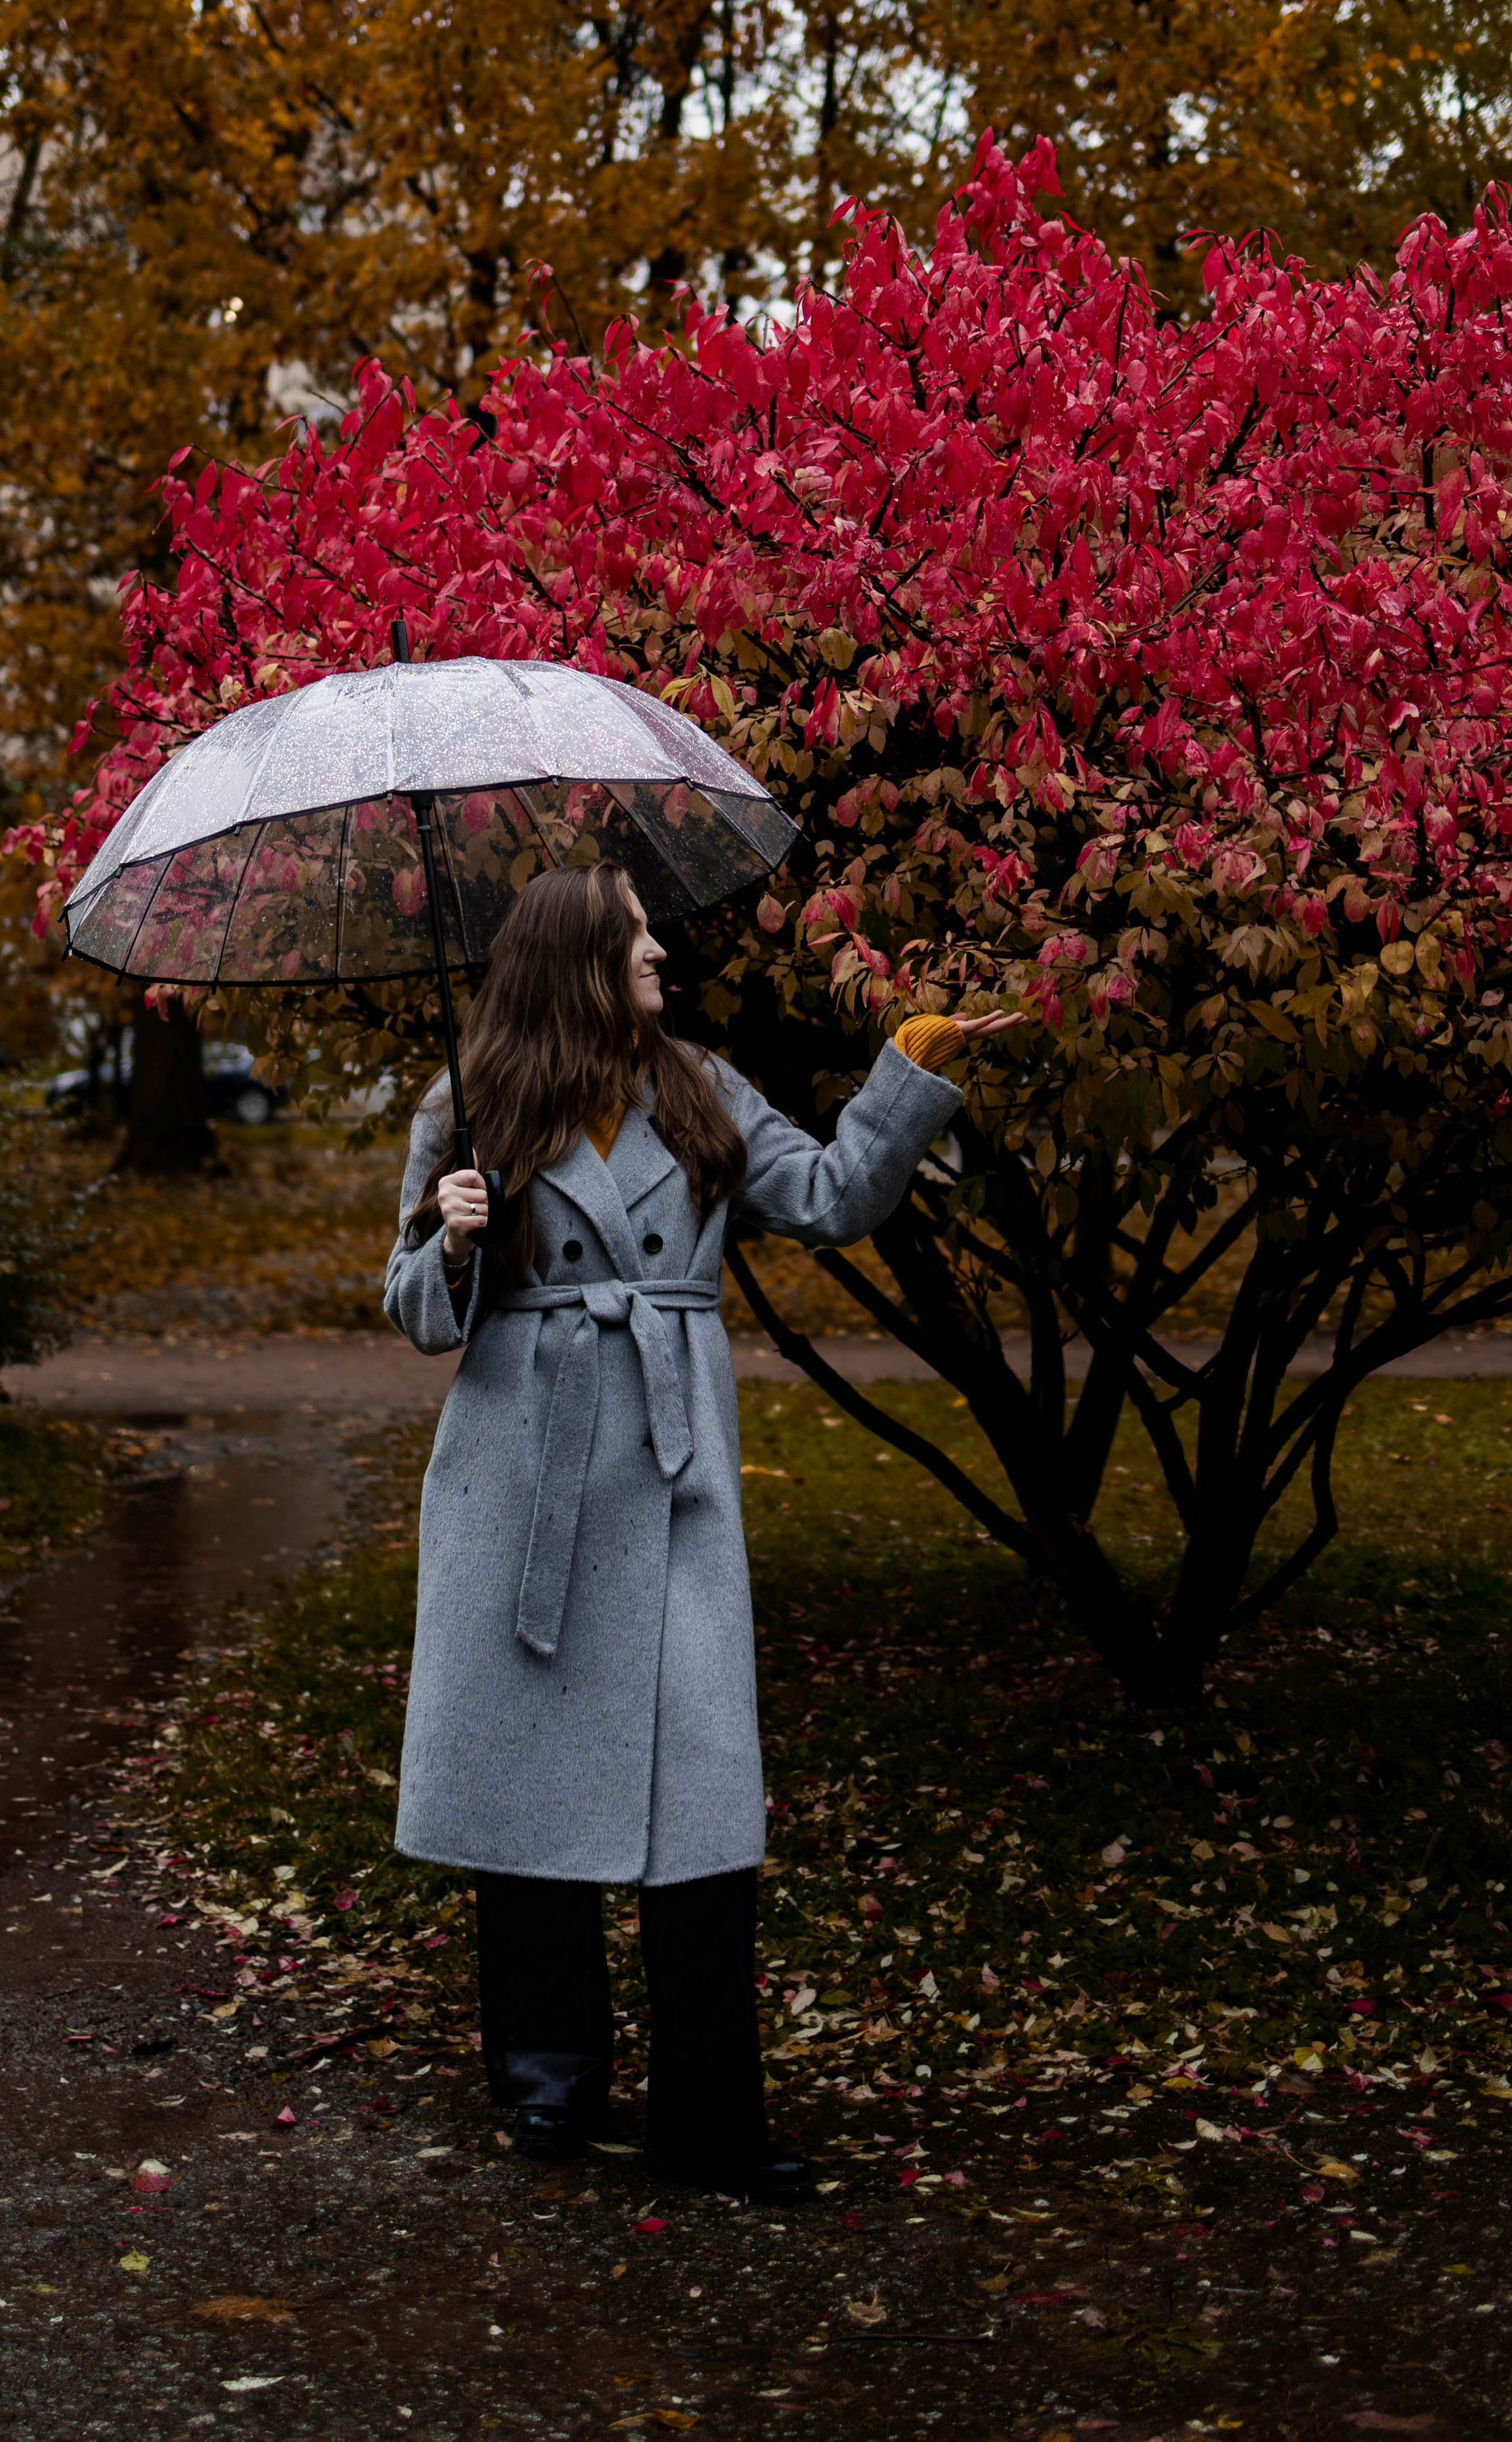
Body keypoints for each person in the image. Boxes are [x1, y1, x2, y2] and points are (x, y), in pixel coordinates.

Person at [382, 858, 1017, 2201]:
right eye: (632, 938)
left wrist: (906, 1072)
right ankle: (549, 2084)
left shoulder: (702, 1088)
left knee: (701, 1796)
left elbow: (838, 1196)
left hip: (671, 1481)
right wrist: (450, 1238)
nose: (660, 951)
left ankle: (709, 2117)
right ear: (574, 963)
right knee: (533, 1783)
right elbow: (416, 1314)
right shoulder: (470, 1101)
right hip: (524, 1475)